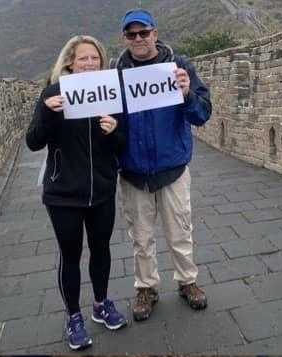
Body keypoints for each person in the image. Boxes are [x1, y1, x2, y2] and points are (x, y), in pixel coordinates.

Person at [26, 35, 127, 351]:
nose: (89, 63)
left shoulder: (109, 94)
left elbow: (120, 145)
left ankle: (100, 304)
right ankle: (73, 317)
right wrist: (46, 112)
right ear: (70, 61)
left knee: (101, 250)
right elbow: (33, 141)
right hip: (64, 194)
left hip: (102, 190)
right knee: (70, 256)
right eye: (83, 58)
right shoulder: (53, 93)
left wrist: (114, 131)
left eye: (94, 58)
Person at [114, 10, 212, 321]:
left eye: (144, 33)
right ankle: (146, 288)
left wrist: (186, 95)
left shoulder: (179, 67)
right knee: (140, 237)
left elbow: (202, 113)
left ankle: (187, 282)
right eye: (132, 35)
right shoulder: (115, 75)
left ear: (155, 34)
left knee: (180, 231)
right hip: (133, 171)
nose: (139, 39)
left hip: (172, 168)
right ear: (125, 39)